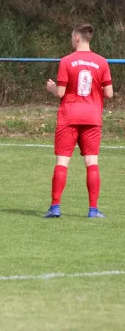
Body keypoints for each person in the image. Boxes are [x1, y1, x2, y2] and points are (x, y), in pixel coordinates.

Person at [44, 23, 113, 218]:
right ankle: (93, 209)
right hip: (92, 117)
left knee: (62, 162)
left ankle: (55, 207)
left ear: (76, 38)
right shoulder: (102, 62)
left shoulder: (66, 61)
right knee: (91, 163)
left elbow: (60, 92)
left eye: (71, 36)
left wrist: (51, 88)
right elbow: (109, 93)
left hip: (69, 116)